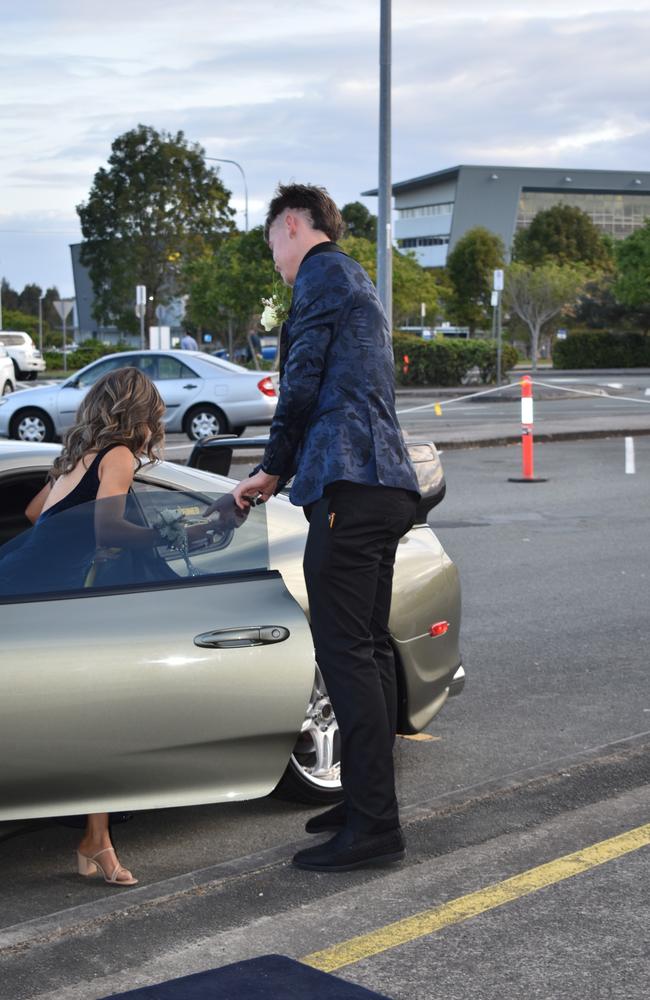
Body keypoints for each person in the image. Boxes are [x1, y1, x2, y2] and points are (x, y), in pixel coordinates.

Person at [231, 183, 420, 872]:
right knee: (367, 653)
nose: (273, 256)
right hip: (382, 483)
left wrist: (271, 469)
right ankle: (368, 805)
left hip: (348, 483)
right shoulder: (355, 278)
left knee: (347, 655)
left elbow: (302, 382)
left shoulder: (318, 278)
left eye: (271, 240)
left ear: (290, 225)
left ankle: (374, 827)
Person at [23, 367, 167, 887]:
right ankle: (95, 841)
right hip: (53, 602)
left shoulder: (74, 457)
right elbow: (108, 526)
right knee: (104, 720)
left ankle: (96, 839)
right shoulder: (120, 456)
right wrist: (161, 537)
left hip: (30, 588)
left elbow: (37, 510)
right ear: (140, 412)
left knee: (92, 719)